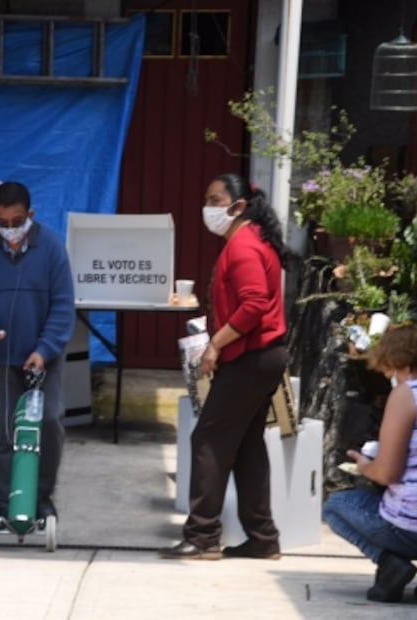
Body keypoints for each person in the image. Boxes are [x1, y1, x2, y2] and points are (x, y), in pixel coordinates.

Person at [159, 173, 291, 561]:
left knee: (209, 441)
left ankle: (202, 538)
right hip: (260, 356)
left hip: (251, 357)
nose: (208, 207)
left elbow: (253, 305)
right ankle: (263, 538)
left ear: (238, 206)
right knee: (247, 446)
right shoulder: (249, 241)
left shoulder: (244, 246)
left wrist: (215, 345)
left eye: (215, 199)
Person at [0, 181, 74, 527]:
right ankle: (6, 503)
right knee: (3, 432)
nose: (9, 230)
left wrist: (45, 349)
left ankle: (42, 500)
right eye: (1, 223)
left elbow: (64, 306)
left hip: (41, 359)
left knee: (48, 424)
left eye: (16, 221)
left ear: (30, 215)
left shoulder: (51, 247)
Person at [323, 324, 417, 603]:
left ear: (402, 364)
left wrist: (364, 465)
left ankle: (390, 563)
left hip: (415, 531)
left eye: (389, 371)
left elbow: (387, 473)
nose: (389, 377)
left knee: (336, 506)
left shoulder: (409, 394)